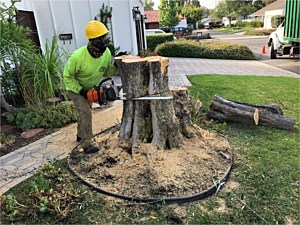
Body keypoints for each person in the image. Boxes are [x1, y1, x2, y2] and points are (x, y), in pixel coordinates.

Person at [63, 20, 118, 154]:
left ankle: (80, 134)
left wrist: (117, 65)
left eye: (105, 37)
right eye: (100, 38)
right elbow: (67, 77)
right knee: (85, 111)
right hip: (75, 87)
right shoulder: (77, 57)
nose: (104, 41)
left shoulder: (106, 53)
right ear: (92, 41)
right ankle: (86, 144)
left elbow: (106, 71)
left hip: (89, 87)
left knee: (84, 111)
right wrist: (81, 91)